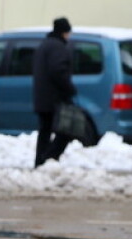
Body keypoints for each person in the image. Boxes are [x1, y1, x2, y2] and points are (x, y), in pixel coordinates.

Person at [32, 17, 77, 168]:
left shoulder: (45, 45)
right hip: (54, 98)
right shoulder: (58, 47)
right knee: (65, 131)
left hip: (43, 97)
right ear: (64, 32)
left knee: (45, 132)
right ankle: (48, 159)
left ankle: (40, 162)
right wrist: (69, 89)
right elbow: (58, 71)